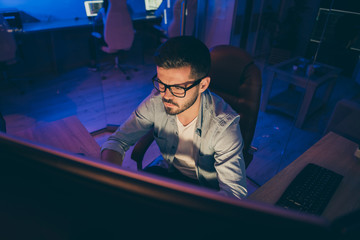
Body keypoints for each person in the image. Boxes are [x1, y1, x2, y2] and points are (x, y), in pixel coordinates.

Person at [101, 36, 247, 199]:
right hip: (169, 171)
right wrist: (109, 179)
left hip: (205, 189)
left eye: (178, 88)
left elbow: (235, 194)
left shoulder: (224, 126)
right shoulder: (156, 101)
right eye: (162, 84)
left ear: (203, 85)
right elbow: (118, 140)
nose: (166, 96)